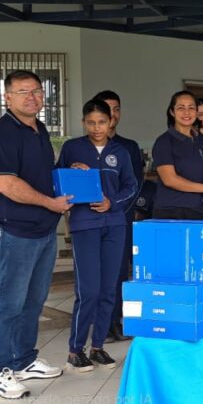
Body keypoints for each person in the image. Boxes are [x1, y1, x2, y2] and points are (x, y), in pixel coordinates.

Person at [0, 70, 72, 399]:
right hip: (16, 230)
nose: (32, 97)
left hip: (43, 229)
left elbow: (38, 173)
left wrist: (65, 176)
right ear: (8, 98)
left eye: (36, 91)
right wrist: (50, 202)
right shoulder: (1, 132)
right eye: (23, 92)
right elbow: (6, 183)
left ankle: (24, 360)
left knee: (34, 301)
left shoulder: (39, 128)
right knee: (9, 303)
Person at [57, 99, 137, 371]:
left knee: (108, 289)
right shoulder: (72, 148)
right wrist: (71, 172)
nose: (96, 127)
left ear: (111, 121)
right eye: (90, 122)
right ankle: (75, 350)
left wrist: (111, 203)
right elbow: (57, 182)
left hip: (114, 224)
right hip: (84, 224)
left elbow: (131, 186)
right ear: (83, 122)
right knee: (88, 289)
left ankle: (98, 346)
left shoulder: (121, 152)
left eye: (101, 122)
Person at [92, 89, 142, 343]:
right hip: (89, 222)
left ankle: (116, 321)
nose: (112, 114)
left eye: (116, 109)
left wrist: (116, 208)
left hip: (120, 219)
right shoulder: (81, 146)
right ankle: (98, 323)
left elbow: (135, 184)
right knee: (95, 274)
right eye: (106, 108)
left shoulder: (129, 147)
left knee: (120, 272)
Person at [152, 90, 203, 219]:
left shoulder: (199, 140)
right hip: (171, 211)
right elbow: (169, 179)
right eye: (181, 108)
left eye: (191, 108)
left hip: (198, 209)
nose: (186, 112)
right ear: (172, 112)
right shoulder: (164, 141)